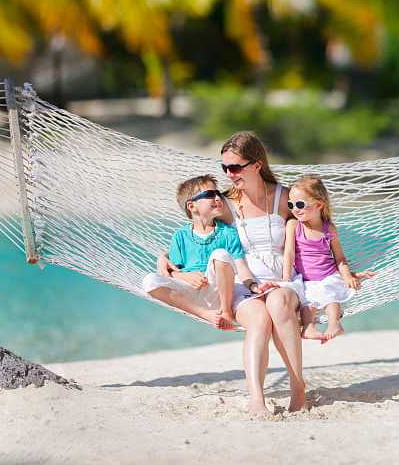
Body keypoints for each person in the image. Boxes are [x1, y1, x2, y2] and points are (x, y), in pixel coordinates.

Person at [217, 131, 309, 414]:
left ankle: (297, 388)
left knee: (278, 303)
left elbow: (314, 231)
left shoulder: (285, 198)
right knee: (258, 318)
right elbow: (195, 236)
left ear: (257, 165)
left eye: (235, 167)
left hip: (283, 279)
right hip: (244, 283)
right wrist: (166, 260)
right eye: (225, 168)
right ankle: (256, 398)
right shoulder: (225, 204)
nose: (229, 174)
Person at [142, 175, 263, 330]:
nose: (217, 198)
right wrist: (185, 276)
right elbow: (170, 271)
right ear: (192, 206)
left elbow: (241, 266)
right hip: (190, 294)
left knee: (220, 254)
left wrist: (253, 285)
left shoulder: (228, 233)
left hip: (218, 292)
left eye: (218, 194)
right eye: (209, 195)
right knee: (149, 280)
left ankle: (226, 313)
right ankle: (206, 314)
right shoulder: (180, 236)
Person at [282, 175, 374, 342]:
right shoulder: (293, 225)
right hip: (306, 279)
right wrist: (286, 278)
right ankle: (308, 328)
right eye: (291, 204)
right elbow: (289, 253)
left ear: (318, 204)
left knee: (330, 298)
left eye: (300, 204)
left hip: (328, 275)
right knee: (307, 304)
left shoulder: (328, 229)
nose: (294, 209)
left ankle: (334, 324)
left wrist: (347, 276)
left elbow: (340, 258)